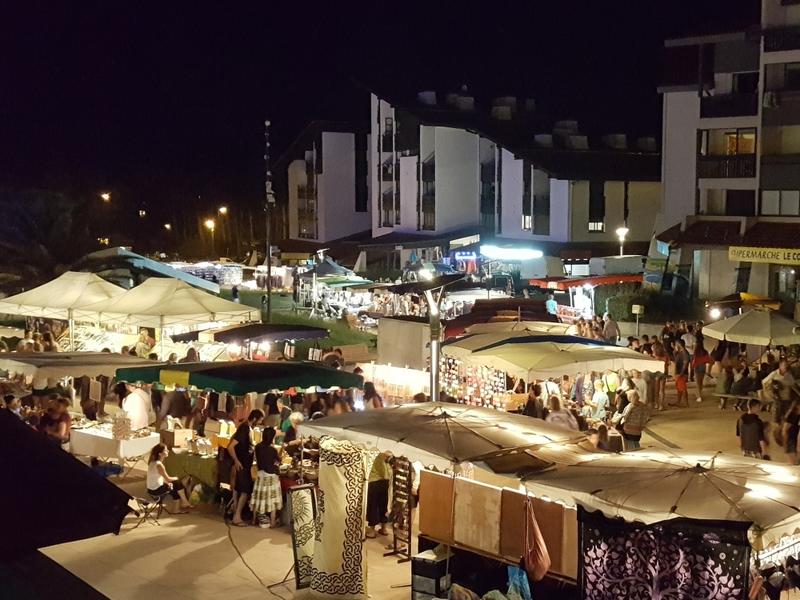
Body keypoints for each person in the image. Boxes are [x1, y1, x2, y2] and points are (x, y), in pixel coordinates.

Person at [228, 409, 264, 526]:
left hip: (244, 464)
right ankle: (237, 517)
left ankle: (236, 513)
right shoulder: (244, 429)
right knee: (244, 491)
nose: (259, 423)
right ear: (254, 418)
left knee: (240, 490)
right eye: (259, 421)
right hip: (242, 465)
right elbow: (231, 447)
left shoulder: (247, 428)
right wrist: (236, 461)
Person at [146, 443, 193, 512]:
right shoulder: (159, 465)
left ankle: (182, 504)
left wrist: (169, 483)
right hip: (156, 490)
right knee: (177, 484)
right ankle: (183, 504)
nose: (168, 451)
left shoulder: (152, 462)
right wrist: (176, 478)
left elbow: (161, 478)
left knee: (176, 486)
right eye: (165, 450)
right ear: (160, 454)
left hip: (151, 488)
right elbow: (168, 478)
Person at [251, 427, 282, 528]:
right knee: (273, 499)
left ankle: (253, 519)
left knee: (257, 497)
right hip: (271, 476)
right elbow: (278, 461)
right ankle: (272, 522)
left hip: (260, 475)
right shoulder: (272, 449)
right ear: (272, 437)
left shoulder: (258, 447)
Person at [366, 452, 392, 538]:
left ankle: (372, 530)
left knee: (373, 506)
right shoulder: (389, 456)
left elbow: (383, 472)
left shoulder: (380, 454)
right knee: (383, 505)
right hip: (385, 483)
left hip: (375, 482)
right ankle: (383, 528)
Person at [762, 359, 796, 424]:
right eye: (784, 365)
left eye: (787, 365)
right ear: (780, 366)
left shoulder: (789, 375)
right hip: (777, 400)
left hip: (786, 399)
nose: (786, 366)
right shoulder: (774, 374)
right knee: (776, 420)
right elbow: (764, 382)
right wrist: (768, 393)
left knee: (785, 420)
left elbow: (793, 385)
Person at [691, 340, 713, 404]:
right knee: (700, 382)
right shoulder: (705, 351)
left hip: (697, 368)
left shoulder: (696, 352)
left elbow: (694, 361)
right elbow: (709, 360)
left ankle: (699, 396)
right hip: (703, 367)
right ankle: (699, 394)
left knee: (698, 383)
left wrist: (693, 367)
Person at [673, 339, 691, 408]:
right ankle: (679, 402)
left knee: (683, 389)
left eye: (676, 344)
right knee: (679, 388)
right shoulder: (679, 352)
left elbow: (685, 364)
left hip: (681, 374)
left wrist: (681, 374)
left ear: (679, 344)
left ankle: (686, 403)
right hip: (679, 373)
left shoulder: (685, 353)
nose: (675, 345)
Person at [783, 401, 800, 465]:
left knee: (796, 463)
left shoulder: (798, 416)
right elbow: (784, 430)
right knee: (793, 463)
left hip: (796, 440)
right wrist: (785, 444)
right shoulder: (792, 415)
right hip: (791, 440)